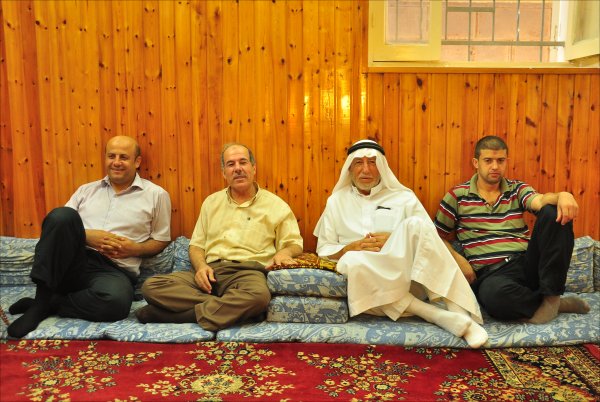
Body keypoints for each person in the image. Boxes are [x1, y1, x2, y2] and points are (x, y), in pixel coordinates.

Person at [314, 139, 488, 348]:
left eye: (372, 162)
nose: (366, 169)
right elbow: (323, 249)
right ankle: (435, 315)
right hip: (366, 281)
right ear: (349, 168)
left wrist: (394, 238)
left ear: (382, 167)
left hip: (407, 277)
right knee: (350, 261)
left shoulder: (403, 197)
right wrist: (348, 248)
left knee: (416, 225)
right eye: (359, 162)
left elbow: (428, 237)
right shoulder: (336, 202)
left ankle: (459, 311)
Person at [7, 135, 172, 338]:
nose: (116, 162)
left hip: (114, 270)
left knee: (116, 303)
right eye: (111, 156)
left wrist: (135, 249)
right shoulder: (86, 191)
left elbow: (161, 239)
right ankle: (40, 304)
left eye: (123, 157)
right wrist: (86, 236)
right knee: (61, 215)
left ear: (137, 162)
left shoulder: (156, 195)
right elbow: (59, 227)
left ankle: (51, 303)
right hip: (73, 262)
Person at [135, 143, 303, 331]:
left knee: (259, 297)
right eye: (231, 164)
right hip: (210, 273)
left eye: (243, 162)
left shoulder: (276, 205)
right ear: (224, 173)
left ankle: (177, 315)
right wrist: (201, 267)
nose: (237, 168)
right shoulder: (211, 202)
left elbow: (294, 243)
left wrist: (284, 253)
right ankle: (233, 309)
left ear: (253, 168)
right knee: (152, 287)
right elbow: (196, 245)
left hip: (248, 274)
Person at [434, 135, 590, 324]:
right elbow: (435, 236)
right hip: (492, 275)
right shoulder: (457, 196)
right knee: (494, 296)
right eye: (488, 160)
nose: (495, 166)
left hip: (527, 264)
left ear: (506, 161)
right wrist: (459, 260)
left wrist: (563, 195)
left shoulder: (517, 189)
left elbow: (540, 200)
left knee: (552, 211)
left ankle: (551, 299)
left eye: (500, 161)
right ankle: (555, 305)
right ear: (476, 163)